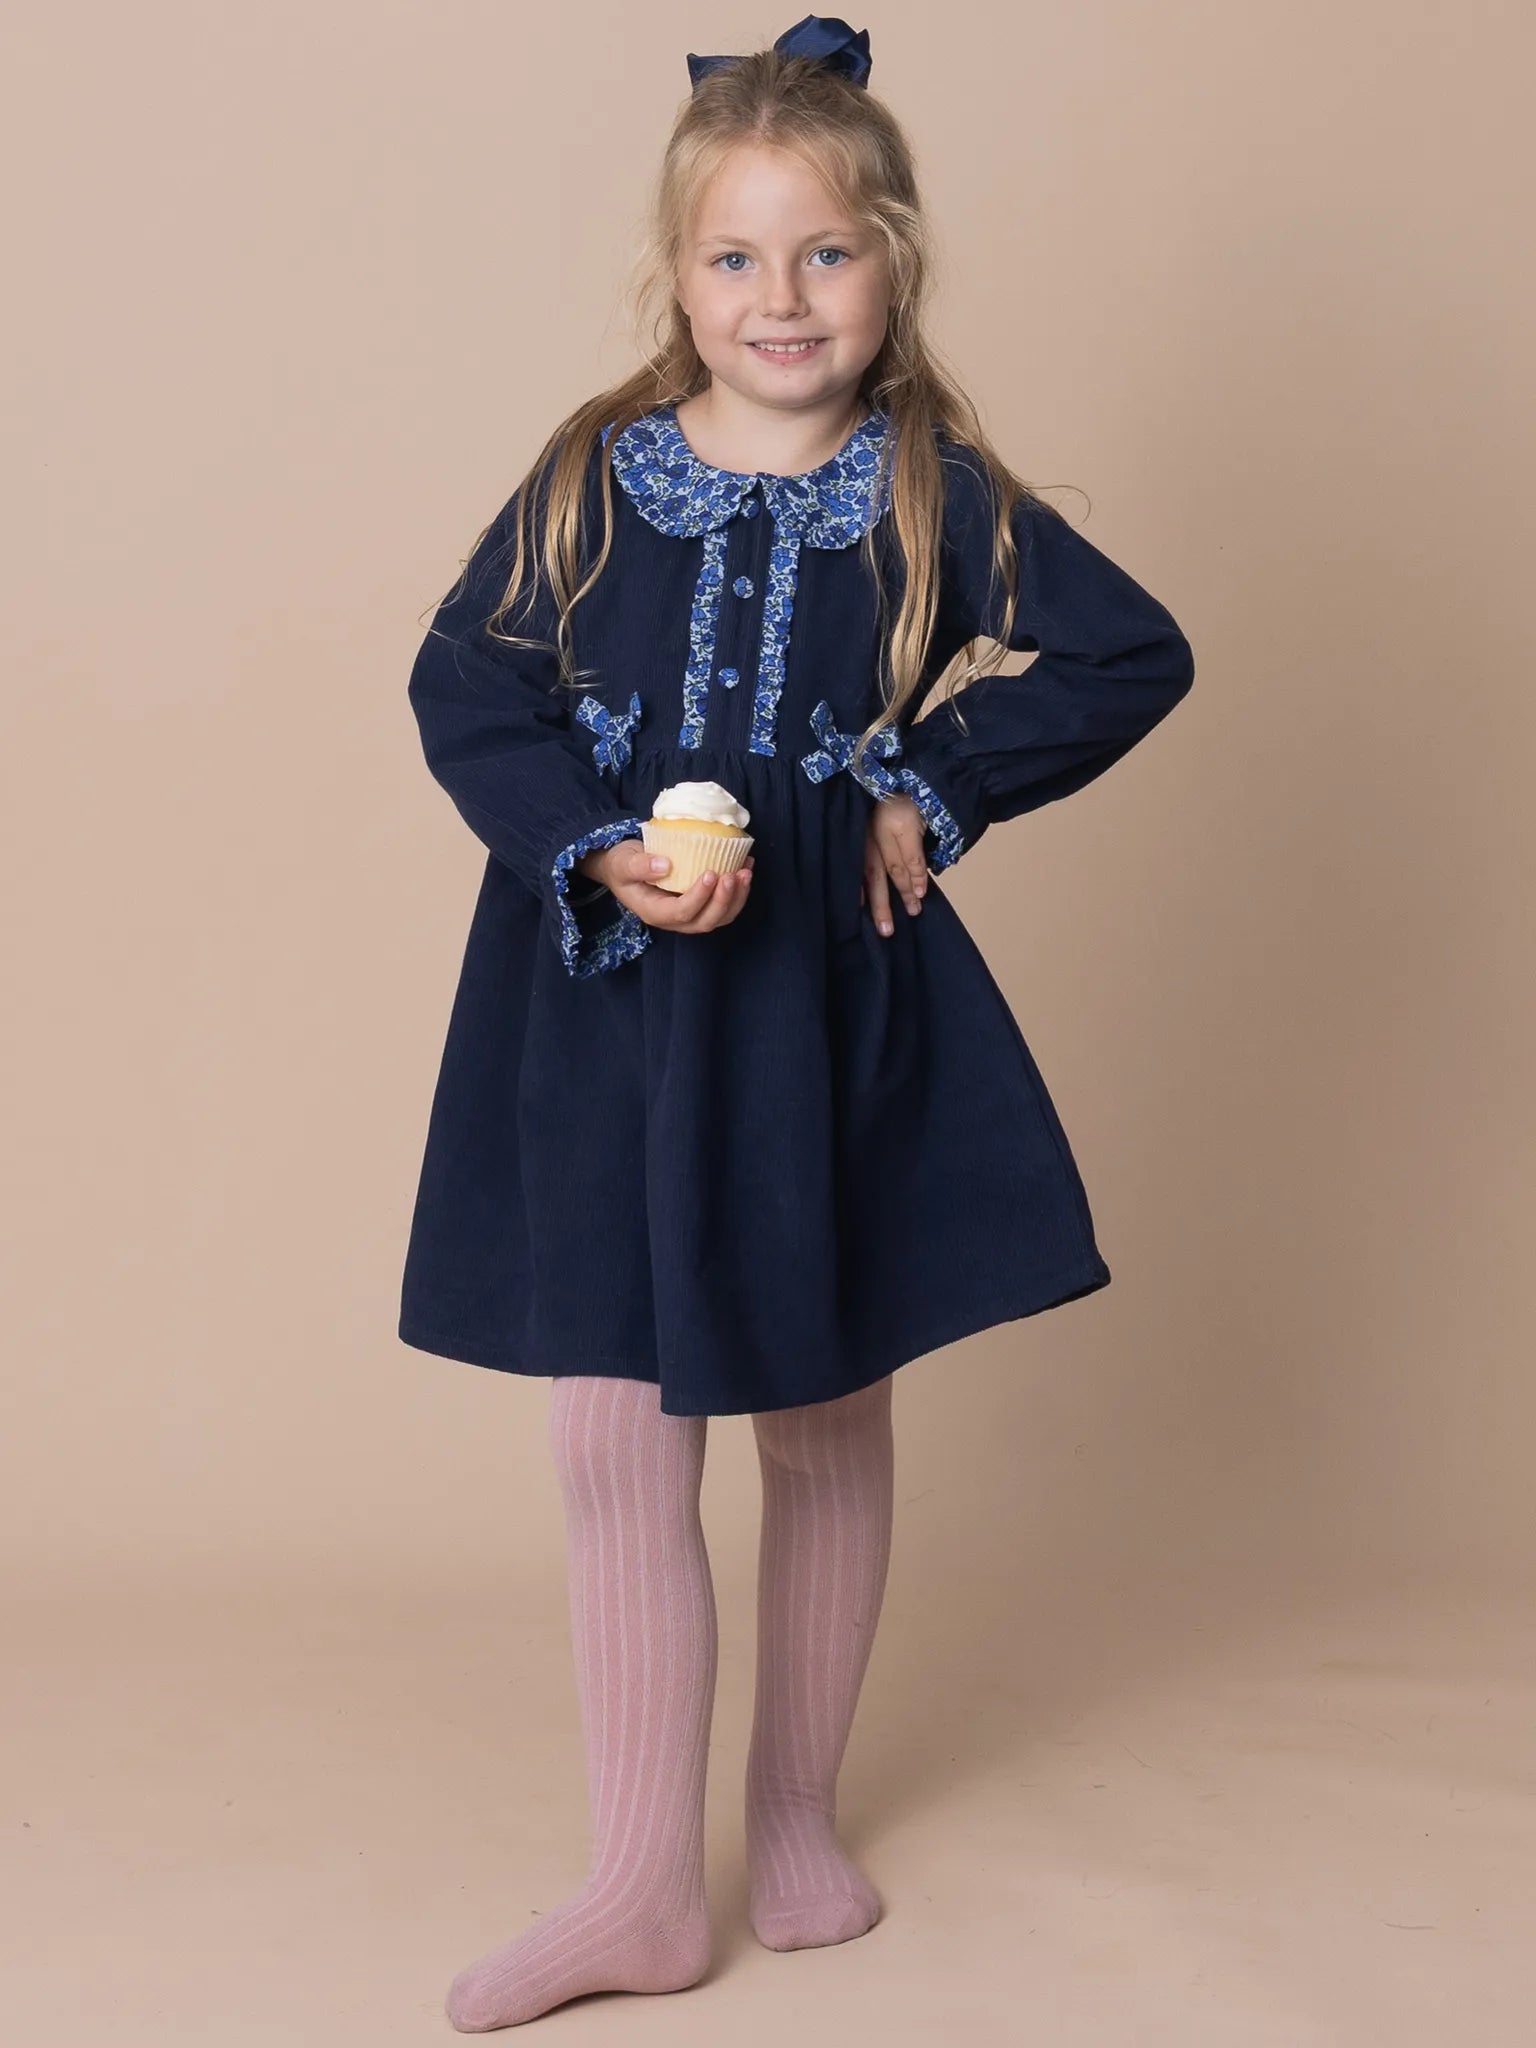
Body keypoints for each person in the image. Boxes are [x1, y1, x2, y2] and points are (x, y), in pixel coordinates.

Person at [400, 13, 1195, 2031]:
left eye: (827, 254)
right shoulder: (597, 472)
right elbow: (465, 683)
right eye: (738, 258)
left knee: (824, 1413)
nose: (783, 299)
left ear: (895, 265)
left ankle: (799, 1816)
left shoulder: (933, 484)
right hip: (612, 1007)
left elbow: (1127, 650)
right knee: (609, 1434)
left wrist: (933, 789)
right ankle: (643, 1884)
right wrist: (588, 844)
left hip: (824, 1012)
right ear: (676, 277)